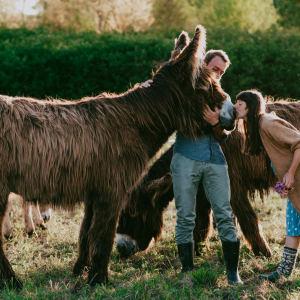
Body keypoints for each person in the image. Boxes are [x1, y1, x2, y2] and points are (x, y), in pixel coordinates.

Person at [141, 49, 243, 285]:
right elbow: (158, 94)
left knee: (225, 215)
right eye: (214, 68)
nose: (217, 74)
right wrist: (147, 87)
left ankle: (232, 274)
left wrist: (215, 122)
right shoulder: (183, 89)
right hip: (185, 159)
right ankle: (186, 270)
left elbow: (225, 134)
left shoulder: (223, 98)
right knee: (185, 216)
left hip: (215, 160)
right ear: (203, 64)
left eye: (222, 72)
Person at [234, 89, 300, 282]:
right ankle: (283, 272)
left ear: (250, 105)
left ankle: (283, 272)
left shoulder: (267, 123)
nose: (235, 106)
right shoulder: (257, 127)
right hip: (295, 185)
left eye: (239, 103)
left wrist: (289, 173)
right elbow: (277, 161)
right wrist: (282, 186)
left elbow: (298, 143)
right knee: (293, 226)